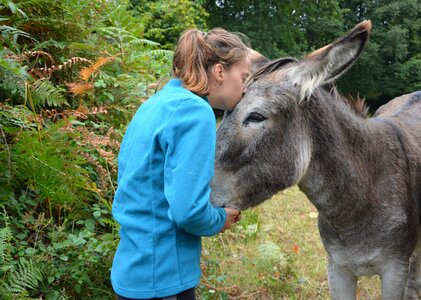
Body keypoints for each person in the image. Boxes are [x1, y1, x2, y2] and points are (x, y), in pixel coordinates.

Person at [111, 27, 251, 300]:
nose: (244, 88)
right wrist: (220, 219)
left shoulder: (155, 104)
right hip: (163, 280)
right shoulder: (196, 112)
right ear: (220, 72)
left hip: (132, 270)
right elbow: (187, 211)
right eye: (243, 77)